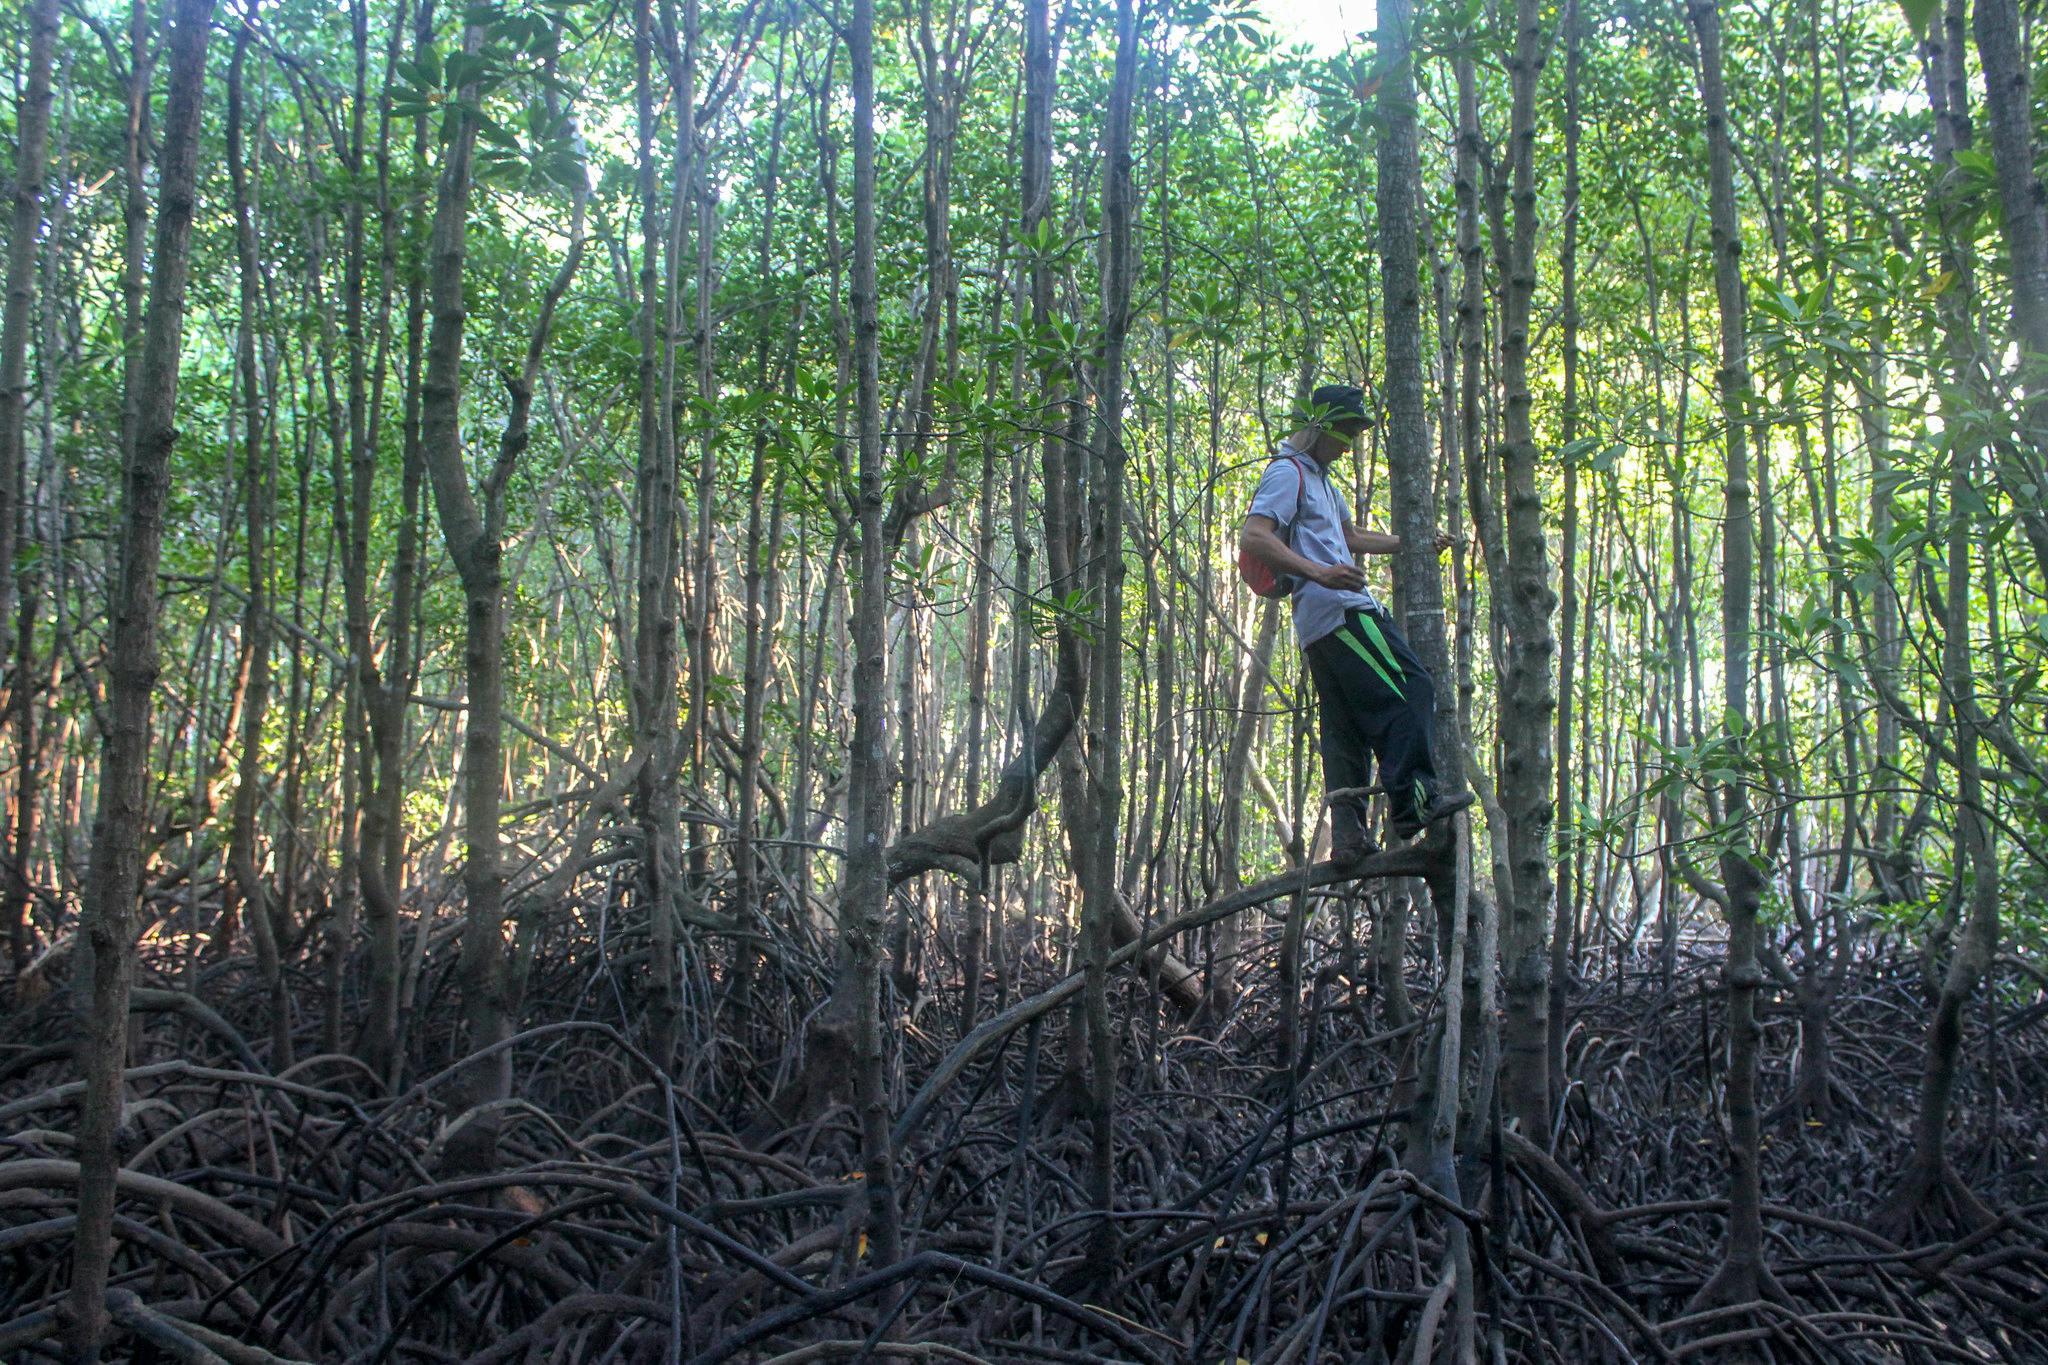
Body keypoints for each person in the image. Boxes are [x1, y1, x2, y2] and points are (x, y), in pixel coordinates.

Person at [1237, 383, 1471, 866]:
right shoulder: (1287, 473)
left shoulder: (1323, 481)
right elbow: (1254, 536)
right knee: (1412, 687)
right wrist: (1321, 572)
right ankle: (1414, 804)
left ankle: (1348, 838)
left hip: (1319, 629)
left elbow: (1350, 537)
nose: (1350, 444)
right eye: (1345, 431)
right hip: (1341, 613)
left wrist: (1414, 543)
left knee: (1344, 731)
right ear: (1319, 427)